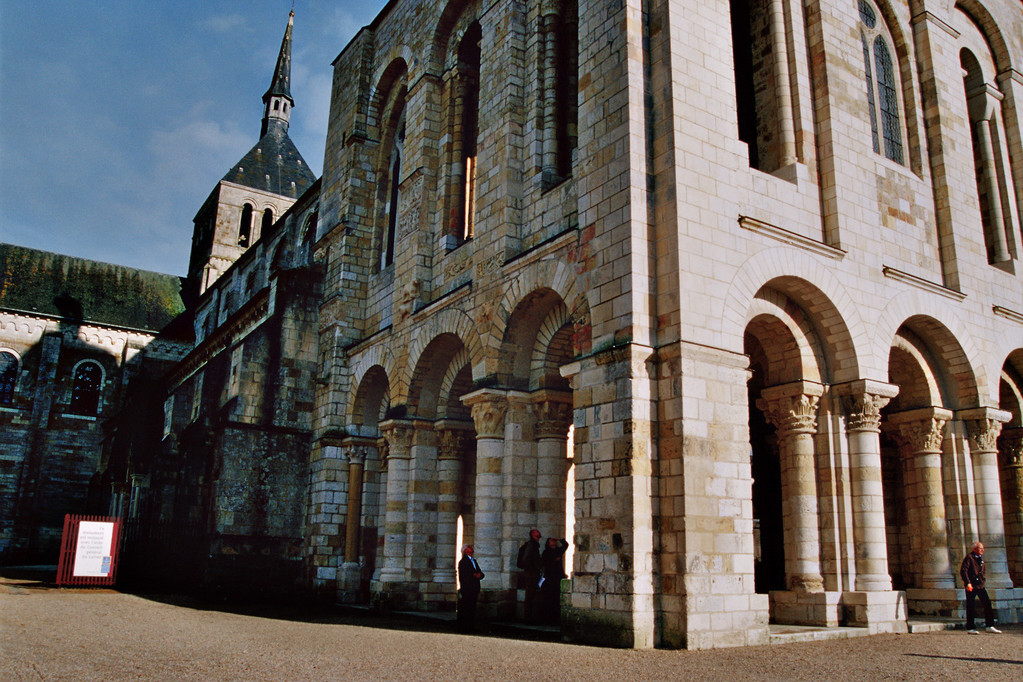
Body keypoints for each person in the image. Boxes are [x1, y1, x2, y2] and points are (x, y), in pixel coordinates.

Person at [960, 541, 1001, 634]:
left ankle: (989, 625)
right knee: (970, 605)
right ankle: (970, 627)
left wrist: (983, 580)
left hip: (980, 585)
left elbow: (982, 570)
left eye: (983, 548)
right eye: (980, 548)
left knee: (987, 603)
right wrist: (967, 583)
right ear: (974, 549)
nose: (982, 550)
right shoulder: (969, 558)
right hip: (972, 585)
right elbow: (964, 570)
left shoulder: (980, 558)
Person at [539, 537, 570, 625]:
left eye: (553, 541)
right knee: (549, 598)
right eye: (551, 541)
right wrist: (553, 560)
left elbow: (566, 545)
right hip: (550, 578)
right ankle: (548, 618)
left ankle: (556, 617)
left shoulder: (558, 550)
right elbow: (545, 563)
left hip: (558, 576)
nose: (553, 542)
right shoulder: (546, 552)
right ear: (548, 543)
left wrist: (559, 539)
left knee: (557, 597)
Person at [457, 543, 484, 632]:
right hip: (467, 588)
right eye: (470, 549)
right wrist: (474, 576)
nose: (472, 550)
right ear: (465, 551)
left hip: (474, 587)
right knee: (467, 608)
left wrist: (480, 575)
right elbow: (464, 576)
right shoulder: (463, 562)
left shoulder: (474, 561)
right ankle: (465, 626)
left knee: (472, 608)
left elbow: (480, 572)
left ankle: (470, 626)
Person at [517, 529, 542, 622]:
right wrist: (534, 568)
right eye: (536, 532)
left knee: (531, 595)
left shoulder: (534, 544)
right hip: (531, 574)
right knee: (530, 596)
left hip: (532, 573)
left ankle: (529, 616)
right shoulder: (531, 545)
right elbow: (526, 559)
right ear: (532, 534)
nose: (539, 533)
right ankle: (528, 617)